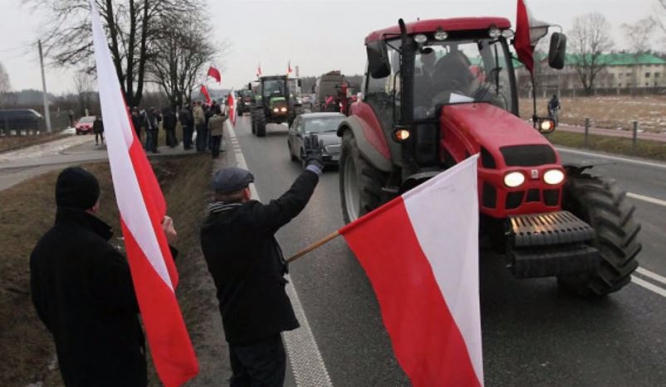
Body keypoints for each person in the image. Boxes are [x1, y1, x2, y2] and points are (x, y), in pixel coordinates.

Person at [30, 167, 178, 387]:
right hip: (115, 366)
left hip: (74, 364)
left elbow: (43, 308)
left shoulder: (41, 250)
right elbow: (140, 300)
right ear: (94, 203)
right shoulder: (99, 254)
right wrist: (165, 250)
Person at [200, 136, 325, 387]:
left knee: (243, 380)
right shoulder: (251, 220)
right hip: (260, 328)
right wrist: (313, 168)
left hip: (235, 324)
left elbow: (242, 259)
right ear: (245, 192)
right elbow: (292, 201)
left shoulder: (208, 228)